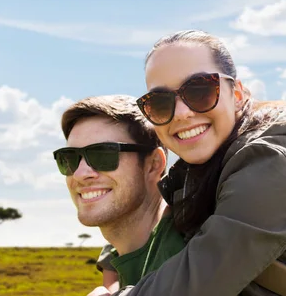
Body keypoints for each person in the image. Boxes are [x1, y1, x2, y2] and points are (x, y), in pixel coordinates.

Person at [88, 30, 286, 296]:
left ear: (238, 93)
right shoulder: (206, 172)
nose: (180, 113)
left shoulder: (272, 166)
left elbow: (195, 284)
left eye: (200, 90)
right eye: (160, 102)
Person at [52, 95, 187, 293]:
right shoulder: (133, 253)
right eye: (69, 158)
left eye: (103, 155)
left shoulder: (187, 258)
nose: (80, 174)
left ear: (153, 164)